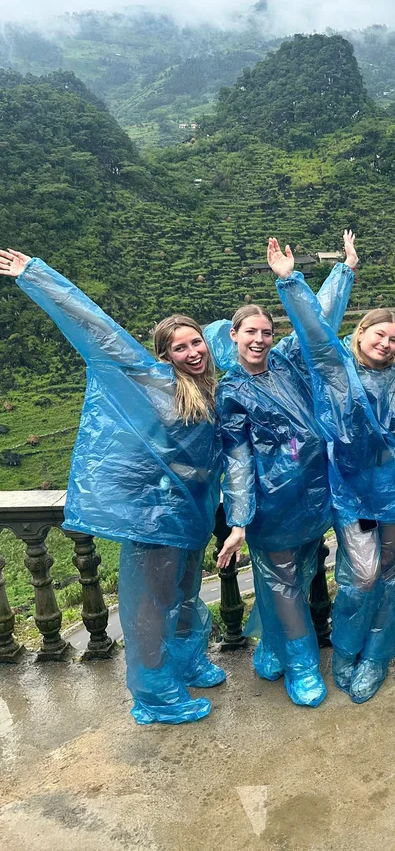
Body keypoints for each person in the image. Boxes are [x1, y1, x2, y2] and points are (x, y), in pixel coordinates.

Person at [1, 247, 225, 725]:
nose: (192, 352)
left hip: (194, 516)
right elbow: (99, 329)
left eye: (197, 343)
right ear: (164, 354)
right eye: (180, 347)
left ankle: (187, 663)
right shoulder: (149, 379)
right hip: (155, 518)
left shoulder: (209, 385)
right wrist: (36, 275)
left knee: (185, 596)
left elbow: (257, 335)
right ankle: (154, 695)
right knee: (151, 606)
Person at [207, 232, 359, 707]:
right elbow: (237, 459)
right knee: (284, 584)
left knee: (304, 570)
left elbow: (319, 321)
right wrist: (238, 519)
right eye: (249, 332)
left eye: (265, 332)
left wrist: (332, 272)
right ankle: (301, 663)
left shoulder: (290, 362)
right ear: (233, 337)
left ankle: (272, 645)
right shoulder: (231, 392)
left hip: (314, 497)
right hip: (271, 507)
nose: (258, 339)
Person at [276, 242, 395, 704]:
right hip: (352, 496)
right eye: (378, 334)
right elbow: (315, 332)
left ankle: (377, 655)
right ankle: (346, 648)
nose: (385, 342)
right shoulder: (337, 371)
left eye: (393, 338)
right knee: (361, 576)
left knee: (392, 576)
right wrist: (292, 280)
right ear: (359, 335)